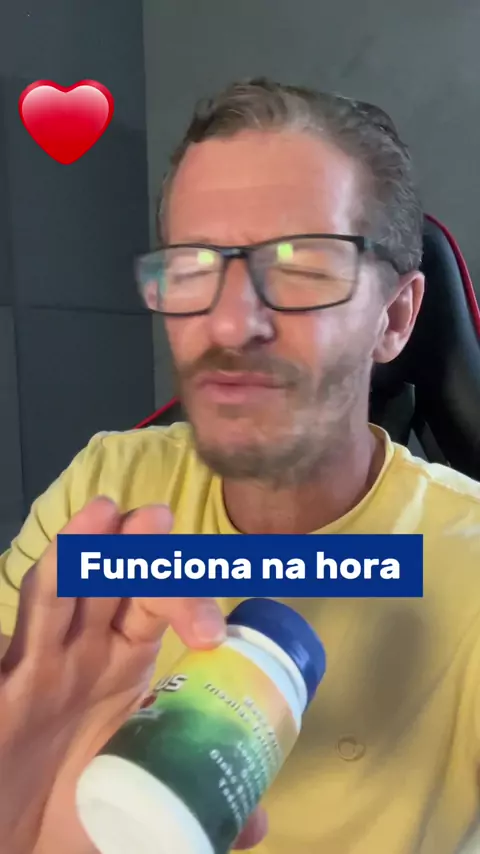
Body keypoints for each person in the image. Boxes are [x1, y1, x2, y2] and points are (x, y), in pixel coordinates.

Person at [1, 77, 479, 854]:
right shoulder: (107, 490)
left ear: (395, 317)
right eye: (191, 267)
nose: (228, 324)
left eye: (301, 266)